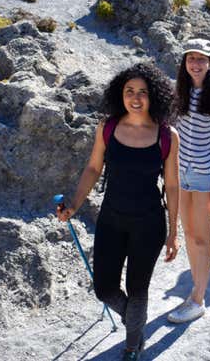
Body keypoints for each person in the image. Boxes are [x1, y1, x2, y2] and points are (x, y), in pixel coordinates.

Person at [57, 62, 179, 361]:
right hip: (112, 218)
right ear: (120, 94)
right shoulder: (107, 127)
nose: (135, 98)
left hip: (149, 224)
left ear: (154, 96)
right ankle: (136, 322)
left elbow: (173, 186)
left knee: (138, 288)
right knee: (104, 288)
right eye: (129, 91)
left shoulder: (167, 136)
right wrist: (74, 203)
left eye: (142, 92)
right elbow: (93, 167)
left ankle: (132, 346)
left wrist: (174, 232)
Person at [167, 39, 210, 324]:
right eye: (191, 58)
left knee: (200, 237)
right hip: (180, 173)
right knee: (188, 235)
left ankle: (198, 298)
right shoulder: (178, 93)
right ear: (184, 62)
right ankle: (196, 291)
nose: (196, 64)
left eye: (202, 59)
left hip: (205, 175)